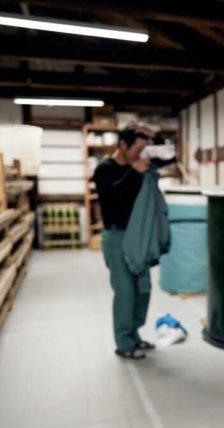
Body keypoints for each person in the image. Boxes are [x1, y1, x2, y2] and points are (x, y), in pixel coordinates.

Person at [93, 123, 175, 360]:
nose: (141, 155)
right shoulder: (105, 170)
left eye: (143, 150)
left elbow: (170, 156)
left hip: (140, 236)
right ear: (122, 145)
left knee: (142, 290)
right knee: (125, 292)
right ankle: (123, 342)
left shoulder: (142, 165)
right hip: (117, 237)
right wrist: (135, 172)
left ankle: (134, 334)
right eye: (136, 150)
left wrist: (154, 134)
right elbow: (113, 197)